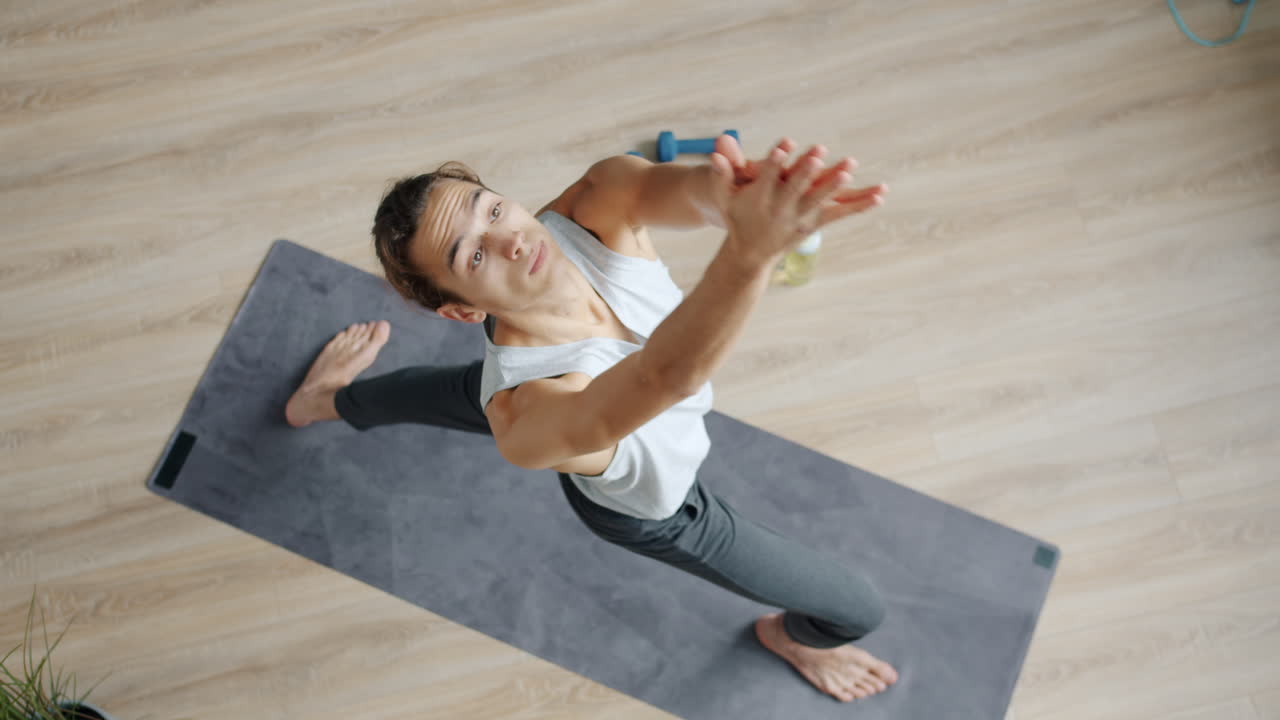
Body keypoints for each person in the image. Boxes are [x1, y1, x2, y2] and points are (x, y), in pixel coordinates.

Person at [284, 135, 899, 703]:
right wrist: (751, 252)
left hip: (554, 391)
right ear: (462, 313)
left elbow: (691, 193)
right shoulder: (525, 418)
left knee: (468, 392)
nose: (514, 240)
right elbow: (663, 378)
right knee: (856, 610)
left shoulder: (592, 206)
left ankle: (329, 397)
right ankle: (792, 636)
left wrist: (740, 194)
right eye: (473, 255)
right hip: (661, 509)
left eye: (493, 211)